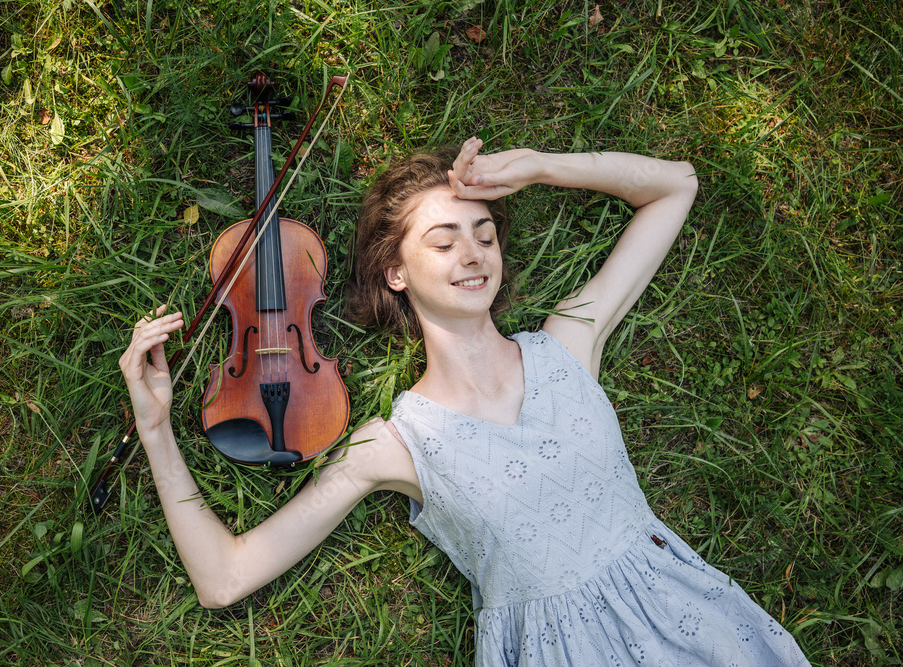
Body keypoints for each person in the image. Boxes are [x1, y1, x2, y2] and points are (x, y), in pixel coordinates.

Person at [119, 137, 810, 665]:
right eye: (443, 240)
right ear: (396, 271)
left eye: (484, 234)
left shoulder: (569, 341)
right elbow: (224, 575)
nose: (473, 252)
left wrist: (540, 165)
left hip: (696, 626)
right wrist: (155, 429)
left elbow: (675, 187)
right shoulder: (396, 441)